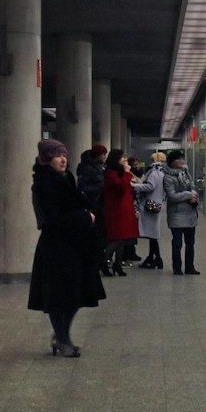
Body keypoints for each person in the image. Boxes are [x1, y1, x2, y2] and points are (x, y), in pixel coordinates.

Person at [28, 139, 105, 357]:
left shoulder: (66, 178)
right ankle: (62, 339)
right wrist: (84, 217)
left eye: (64, 155)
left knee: (76, 293)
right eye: (57, 156)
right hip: (57, 246)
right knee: (59, 295)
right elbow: (52, 218)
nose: (63, 160)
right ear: (46, 159)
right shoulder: (43, 184)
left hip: (75, 243)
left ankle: (62, 337)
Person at [101, 148, 148, 275]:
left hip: (125, 208)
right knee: (116, 238)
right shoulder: (110, 173)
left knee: (124, 238)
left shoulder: (120, 172)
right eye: (123, 157)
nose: (125, 159)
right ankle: (104, 263)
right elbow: (120, 186)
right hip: (116, 210)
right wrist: (127, 173)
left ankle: (118, 264)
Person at [162, 148, 200, 275]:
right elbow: (172, 196)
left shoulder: (186, 172)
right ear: (173, 162)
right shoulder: (168, 177)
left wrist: (193, 193)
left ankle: (190, 267)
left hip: (190, 213)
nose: (182, 162)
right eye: (179, 160)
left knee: (190, 243)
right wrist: (188, 195)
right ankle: (177, 267)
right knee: (177, 244)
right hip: (177, 214)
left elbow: (192, 185)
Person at [77, 145, 111, 277]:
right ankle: (98, 264)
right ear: (97, 155)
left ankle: (99, 263)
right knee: (98, 236)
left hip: (99, 204)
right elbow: (82, 187)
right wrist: (100, 189)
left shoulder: (98, 167)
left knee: (102, 235)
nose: (105, 157)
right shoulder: (87, 168)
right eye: (103, 154)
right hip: (93, 205)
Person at [136, 151, 168, 269]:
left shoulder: (154, 172)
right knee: (152, 235)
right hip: (156, 204)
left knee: (152, 234)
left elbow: (150, 186)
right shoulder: (163, 172)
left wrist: (135, 186)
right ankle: (154, 258)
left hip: (149, 205)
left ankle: (156, 259)